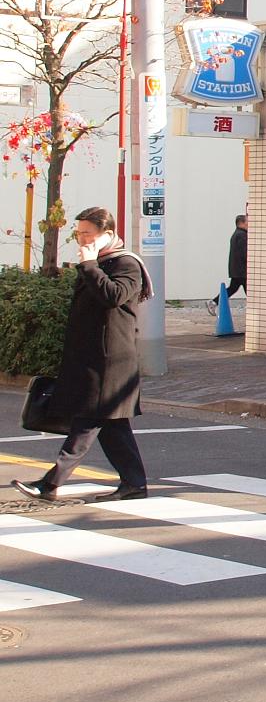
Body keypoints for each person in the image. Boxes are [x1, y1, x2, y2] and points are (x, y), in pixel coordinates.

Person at [13, 207, 153, 502]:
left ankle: (50, 484)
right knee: (112, 426)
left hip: (111, 360)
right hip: (92, 356)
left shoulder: (126, 263)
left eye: (88, 233)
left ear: (109, 234)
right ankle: (134, 484)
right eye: (78, 234)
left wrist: (90, 265)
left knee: (87, 422)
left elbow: (113, 296)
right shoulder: (99, 262)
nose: (82, 240)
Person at [208, 214, 247, 314]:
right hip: (242, 270)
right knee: (249, 290)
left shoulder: (236, 234)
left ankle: (213, 302)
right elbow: (244, 253)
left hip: (236, 269)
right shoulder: (242, 235)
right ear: (241, 223)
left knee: (232, 288)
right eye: (247, 221)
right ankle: (256, 309)